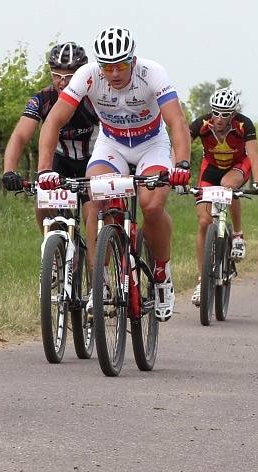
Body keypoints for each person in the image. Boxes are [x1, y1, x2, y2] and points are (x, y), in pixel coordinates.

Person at [36, 26, 192, 321]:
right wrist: (45, 169)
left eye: (121, 65)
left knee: (152, 205)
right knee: (97, 199)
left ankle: (161, 274)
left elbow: (177, 122)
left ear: (132, 61)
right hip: (113, 145)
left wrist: (182, 164)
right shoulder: (89, 76)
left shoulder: (152, 73)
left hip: (152, 145)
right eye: (108, 67)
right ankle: (102, 282)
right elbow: (53, 121)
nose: (114, 73)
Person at [1, 42, 98, 231]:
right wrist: (8, 170)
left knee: (92, 214)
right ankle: (54, 253)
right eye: (56, 75)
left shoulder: (93, 97)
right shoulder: (43, 98)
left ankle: (95, 260)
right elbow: (20, 136)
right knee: (42, 204)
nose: (62, 82)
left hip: (92, 160)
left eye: (70, 77)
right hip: (60, 160)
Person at [188, 87, 258, 307]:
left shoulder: (244, 124)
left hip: (237, 166)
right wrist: (177, 171)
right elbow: (181, 145)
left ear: (233, 114)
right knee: (204, 222)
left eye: (224, 114)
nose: (219, 118)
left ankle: (238, 234)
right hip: (211, 168)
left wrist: (257, 181)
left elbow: (254, 154)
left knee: (227, 185)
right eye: (215, 112)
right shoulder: (202, 124)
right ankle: (202, 281)